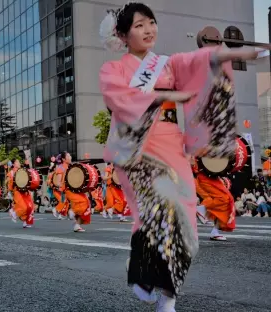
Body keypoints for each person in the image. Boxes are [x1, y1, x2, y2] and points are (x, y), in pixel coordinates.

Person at [99, 2, 260, 310]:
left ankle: (164, 290)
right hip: (137, 151)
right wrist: (163, 95)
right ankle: (157, 288)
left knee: (186, 222)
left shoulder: (168, 63)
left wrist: (233, 54)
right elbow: (117, 97)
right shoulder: (114, 69)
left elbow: (200, 60)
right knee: (157, 216)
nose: (149, 30)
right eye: (139, 25)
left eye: (151, 23)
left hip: (172, 146)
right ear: (122, 34)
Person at [6, 159, 34, 228]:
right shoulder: (11, 173)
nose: (19, 163)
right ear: (14, 164)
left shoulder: (22, 170)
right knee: (24, 207)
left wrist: (27, 166)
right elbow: (9, 185)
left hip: (25, 191)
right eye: (17, 162)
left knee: (30, 207)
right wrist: (10, 192)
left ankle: (26, 221)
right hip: (17, 191)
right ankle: (14, 213)